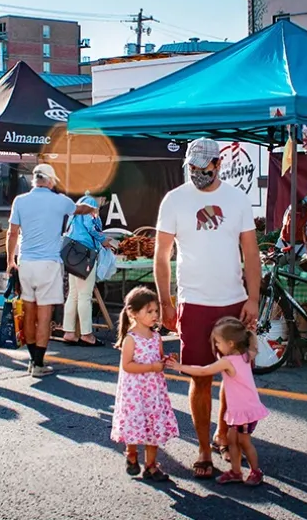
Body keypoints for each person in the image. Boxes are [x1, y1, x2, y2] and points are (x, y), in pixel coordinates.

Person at [154, 137, 260, 480]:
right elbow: (161, 255)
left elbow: (252, 253)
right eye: (193, 168)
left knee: (233, 375)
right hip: (194, 302)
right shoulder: (174, 199)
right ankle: (203, 448)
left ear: (218, 164)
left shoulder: (236, 198)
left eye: (205, 168)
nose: (199, 173)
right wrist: (166, 301)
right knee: (199, 379)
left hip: (231, 299)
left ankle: (222, 433)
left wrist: (253, 297)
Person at [169, 317, 269, 487]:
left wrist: (180, 367)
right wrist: (250, 331)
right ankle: (236, 472)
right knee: (232, 439)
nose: (216, 346)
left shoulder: (227, 362)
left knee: (244, 441)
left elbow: (204, 371)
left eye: (218, 342)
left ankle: (256, 471)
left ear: (230, 343)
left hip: (245, 411)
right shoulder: (245, 355)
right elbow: (254, 346)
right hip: (240, 410)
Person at [7, 164, 76, 378]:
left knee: (29, 312)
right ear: (50, 181)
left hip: (25, 261)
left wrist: (10, 260)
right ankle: (38, 363)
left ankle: (31, 360)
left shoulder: (20, 200)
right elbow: (77, 211)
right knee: (44, 316)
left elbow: (12, 233)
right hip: (49, 264)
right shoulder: (61, 201)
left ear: (34, 180)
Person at [111, 287, 179, 482]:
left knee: (153, 425)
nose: (155, 315)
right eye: (149, 311)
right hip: (135, 392)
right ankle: (131, 453)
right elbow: (127, 366)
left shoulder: (156, 336)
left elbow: (157, 358)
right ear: (133, 313)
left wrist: (165, 361)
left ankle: (151, 465)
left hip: (153, 391)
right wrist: (151, 367)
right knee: (135, 425)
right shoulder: (130, 339)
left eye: (156, 311)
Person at [61, 194, 115, 347]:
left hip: (71, 250)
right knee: (85, 295)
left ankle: (69, 332)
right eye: (104, 201)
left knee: (73, 294)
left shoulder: (79, 203)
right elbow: (91, 226)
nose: (102, 205)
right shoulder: (90, 203)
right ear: (101, 197)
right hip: (84, 252)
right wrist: (103, 240)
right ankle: (87, 334)